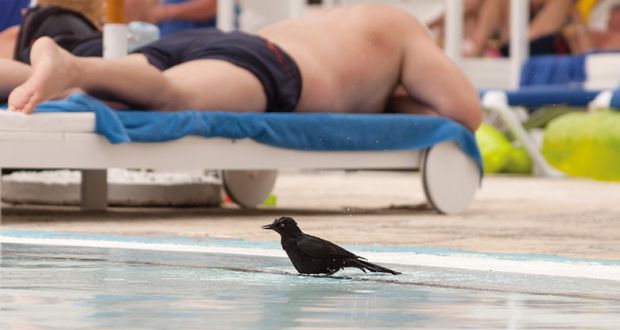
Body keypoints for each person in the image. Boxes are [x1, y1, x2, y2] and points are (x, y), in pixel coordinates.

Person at [4, 4, 482, 132]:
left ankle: (59, 69)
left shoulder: (342, 22)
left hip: (228, 45)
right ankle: (70, 66)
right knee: (174, 95)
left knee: (128, 84)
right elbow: (464, 112)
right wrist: (396, 108)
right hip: (270, 66)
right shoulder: (402, 27)